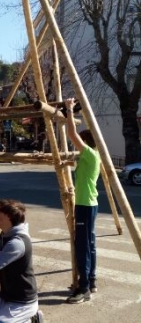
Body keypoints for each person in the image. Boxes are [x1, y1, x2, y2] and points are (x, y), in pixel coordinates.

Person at [65, 97, 101, 304]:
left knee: (82, 246)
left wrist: (70, 110)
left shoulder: (89, 153)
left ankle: (84, 288)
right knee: (90, 243)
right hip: (89, 203)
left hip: (86, 205)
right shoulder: (91, 155)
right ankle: (92, 281)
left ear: (85, 143)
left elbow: (71, 134)